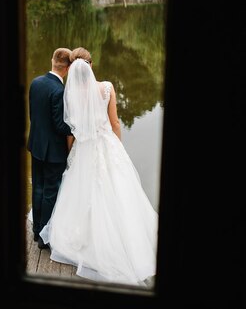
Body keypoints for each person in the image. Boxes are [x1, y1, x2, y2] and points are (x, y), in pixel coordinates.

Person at [39, 47, 158, 286]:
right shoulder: (106, 88)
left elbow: (71, 132)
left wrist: (71, 154)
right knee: (119, 192)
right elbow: (114, 123)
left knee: (83, 192)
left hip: (85, 148)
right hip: (106, 145)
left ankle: (86, 240)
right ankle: (126, 243)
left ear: (73, 68)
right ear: (91, 65)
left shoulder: (70, 94)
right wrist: (117, 147)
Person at [27, 48, 74, 249]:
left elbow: (33, 115)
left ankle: (37, 229)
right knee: (50, 192)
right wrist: (76, 125)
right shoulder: (59, 91)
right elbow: (60, 126)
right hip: (54, 151)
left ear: (52, 60)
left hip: (36, 145)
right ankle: (44, 238)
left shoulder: (36, 83)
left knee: (37, 186)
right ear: (68, 68)